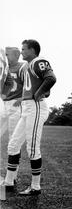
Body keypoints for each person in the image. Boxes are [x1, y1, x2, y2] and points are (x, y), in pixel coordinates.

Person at [1, 39, 56, 196]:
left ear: (32, 50)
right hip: (27, 108)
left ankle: (35, 186)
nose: (22, 51)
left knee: (32, 148)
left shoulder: (39, 61)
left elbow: (51, 78)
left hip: (35, 107)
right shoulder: (26, 66)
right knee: (13, 145)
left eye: (24, 49)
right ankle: (9, 182)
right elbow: (43, 86)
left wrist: (38, 94)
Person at [0, 47, 26, 181]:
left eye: (7, 54)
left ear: (17, 55)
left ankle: (13, 175)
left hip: (15, 106)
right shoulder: (4, 67)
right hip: (4, 105)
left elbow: (31, 85)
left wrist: (22, 98)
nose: (5, 56)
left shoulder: (23, 67)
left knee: (13, 140)